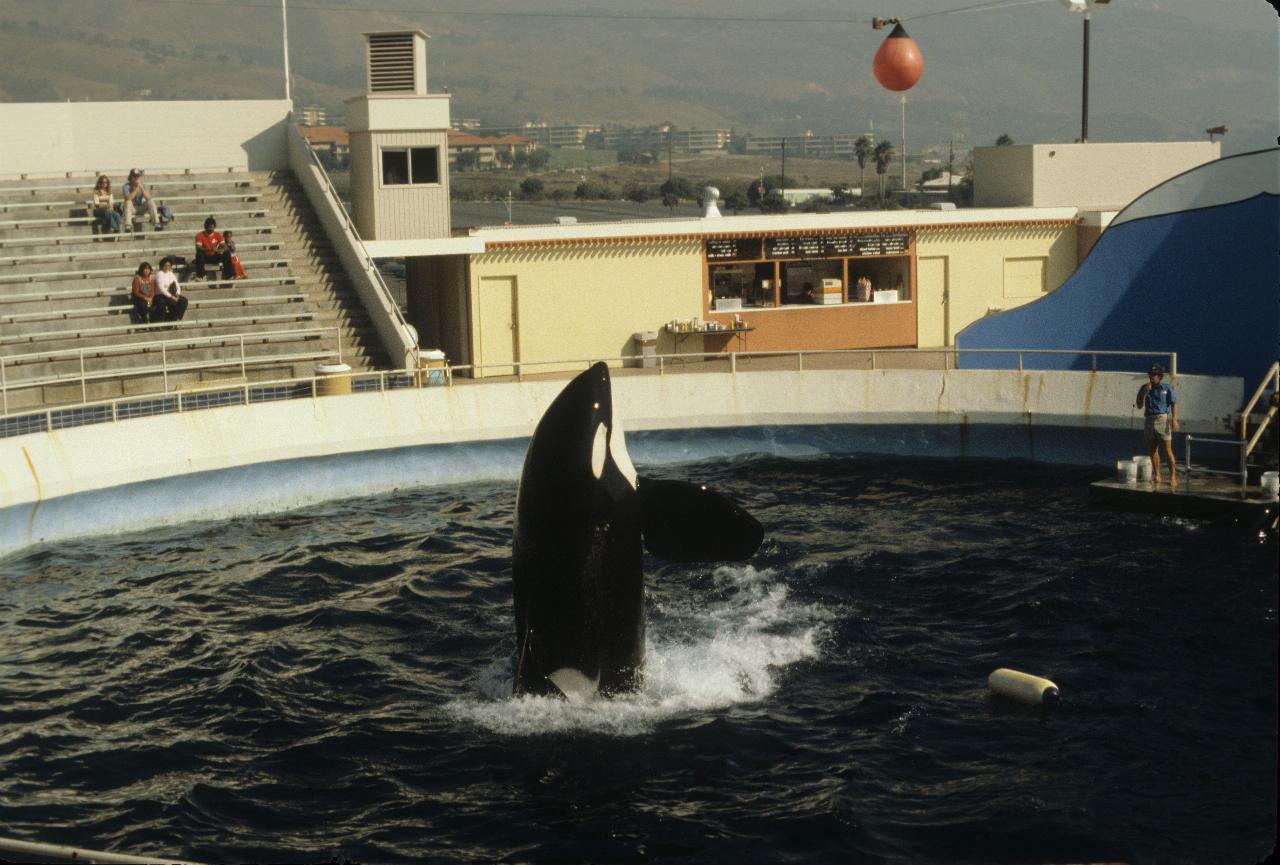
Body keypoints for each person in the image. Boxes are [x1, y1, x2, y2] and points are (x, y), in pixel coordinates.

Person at [1136, 362, 1179, 489]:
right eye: (1150, 374)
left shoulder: (1166, 388)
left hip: (1162, 419)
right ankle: (1157, 475)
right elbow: (1139, 406)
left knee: (1167, 449)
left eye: (1154, 374)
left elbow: (1174, 403)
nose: (1152, 376)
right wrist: (1144, 392)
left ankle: (1173, 477)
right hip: (1149, 419)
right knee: (1153, 450)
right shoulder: (1144, 387)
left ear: (1159, 376)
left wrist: (1174, 419)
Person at [122, 168, 162, 233]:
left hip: (141, 207)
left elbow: (148, 198)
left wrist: (141, 188)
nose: (136, 178)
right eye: (134, 176)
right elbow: (129, 198)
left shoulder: (144, 185)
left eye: (138, 176)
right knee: (128, 202)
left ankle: (157, 223)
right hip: (131, 209)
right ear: (131, 177)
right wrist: (136, 188)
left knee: (150, 201)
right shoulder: (126, 186)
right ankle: (128, 225)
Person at [152, 256, 188, 322]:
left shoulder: (171, 274)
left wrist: (177, 294)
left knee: (184, 301)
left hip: (172, 294)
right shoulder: (159, 274)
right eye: (165, 265)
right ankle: (170, 319)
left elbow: (177, 284)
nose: (167, 267)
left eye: (169, 265)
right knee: (172, 302)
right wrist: (172, 297)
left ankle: (176, 318)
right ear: (162, 265)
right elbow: (161, 289)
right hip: (161, 295)